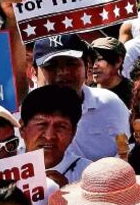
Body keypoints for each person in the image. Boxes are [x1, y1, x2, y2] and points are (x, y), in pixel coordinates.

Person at [31, 34, 130, 163]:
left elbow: (128, 156)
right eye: (51, 65)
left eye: (71, 63)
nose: (63, 71)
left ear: (87, 67)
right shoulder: (19, 119)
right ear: (33, 73)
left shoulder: (112, 105)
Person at [19, 86, 91, 185]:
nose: (49, 136)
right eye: (41, 125)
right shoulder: (1, 168)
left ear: (73, 132)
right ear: (22, 128)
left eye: (61, 126)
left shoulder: (89, 175)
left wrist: (69, 193)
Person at [89, 37, 133, 107]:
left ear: (118, 61)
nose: (94, 66)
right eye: (92, 60)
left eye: (99, 59)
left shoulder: (133, 93)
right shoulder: (86, 92)